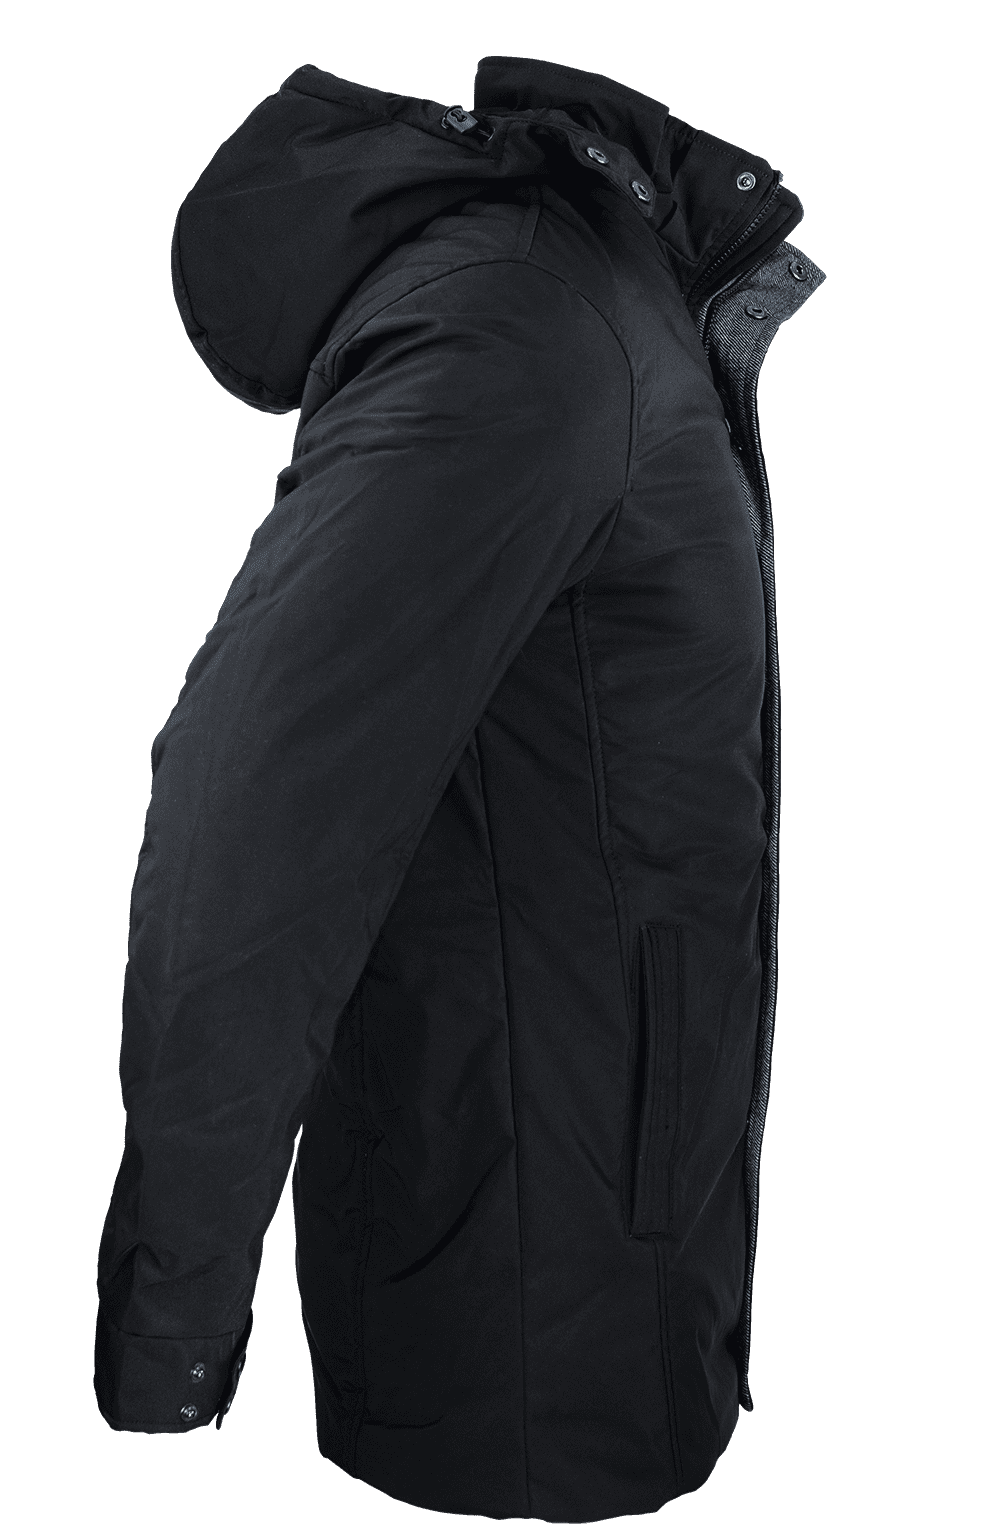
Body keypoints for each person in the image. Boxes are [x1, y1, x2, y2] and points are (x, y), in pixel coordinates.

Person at [94, 54, 825, 1523]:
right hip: (518, 1322)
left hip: (589, 1263)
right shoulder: (528, 323)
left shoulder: (592, 299)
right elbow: (251, 817)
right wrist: (171, 1330)